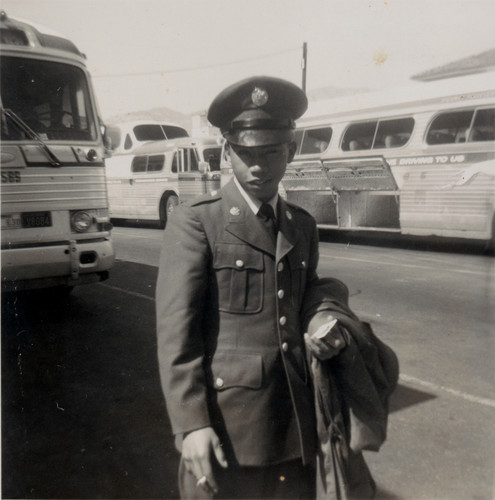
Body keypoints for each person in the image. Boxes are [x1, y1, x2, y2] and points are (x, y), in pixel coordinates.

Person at [155, 76, 396, 499]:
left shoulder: (301, 225)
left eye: (270, 152)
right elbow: (177, 335)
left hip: (295, 430)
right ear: (226, 151)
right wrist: (191, 424)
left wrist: (323, 318)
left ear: (292, 149)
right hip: (229, 434)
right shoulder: (197, 222)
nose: (258, 167)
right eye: (245, 154)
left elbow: (303, 298)